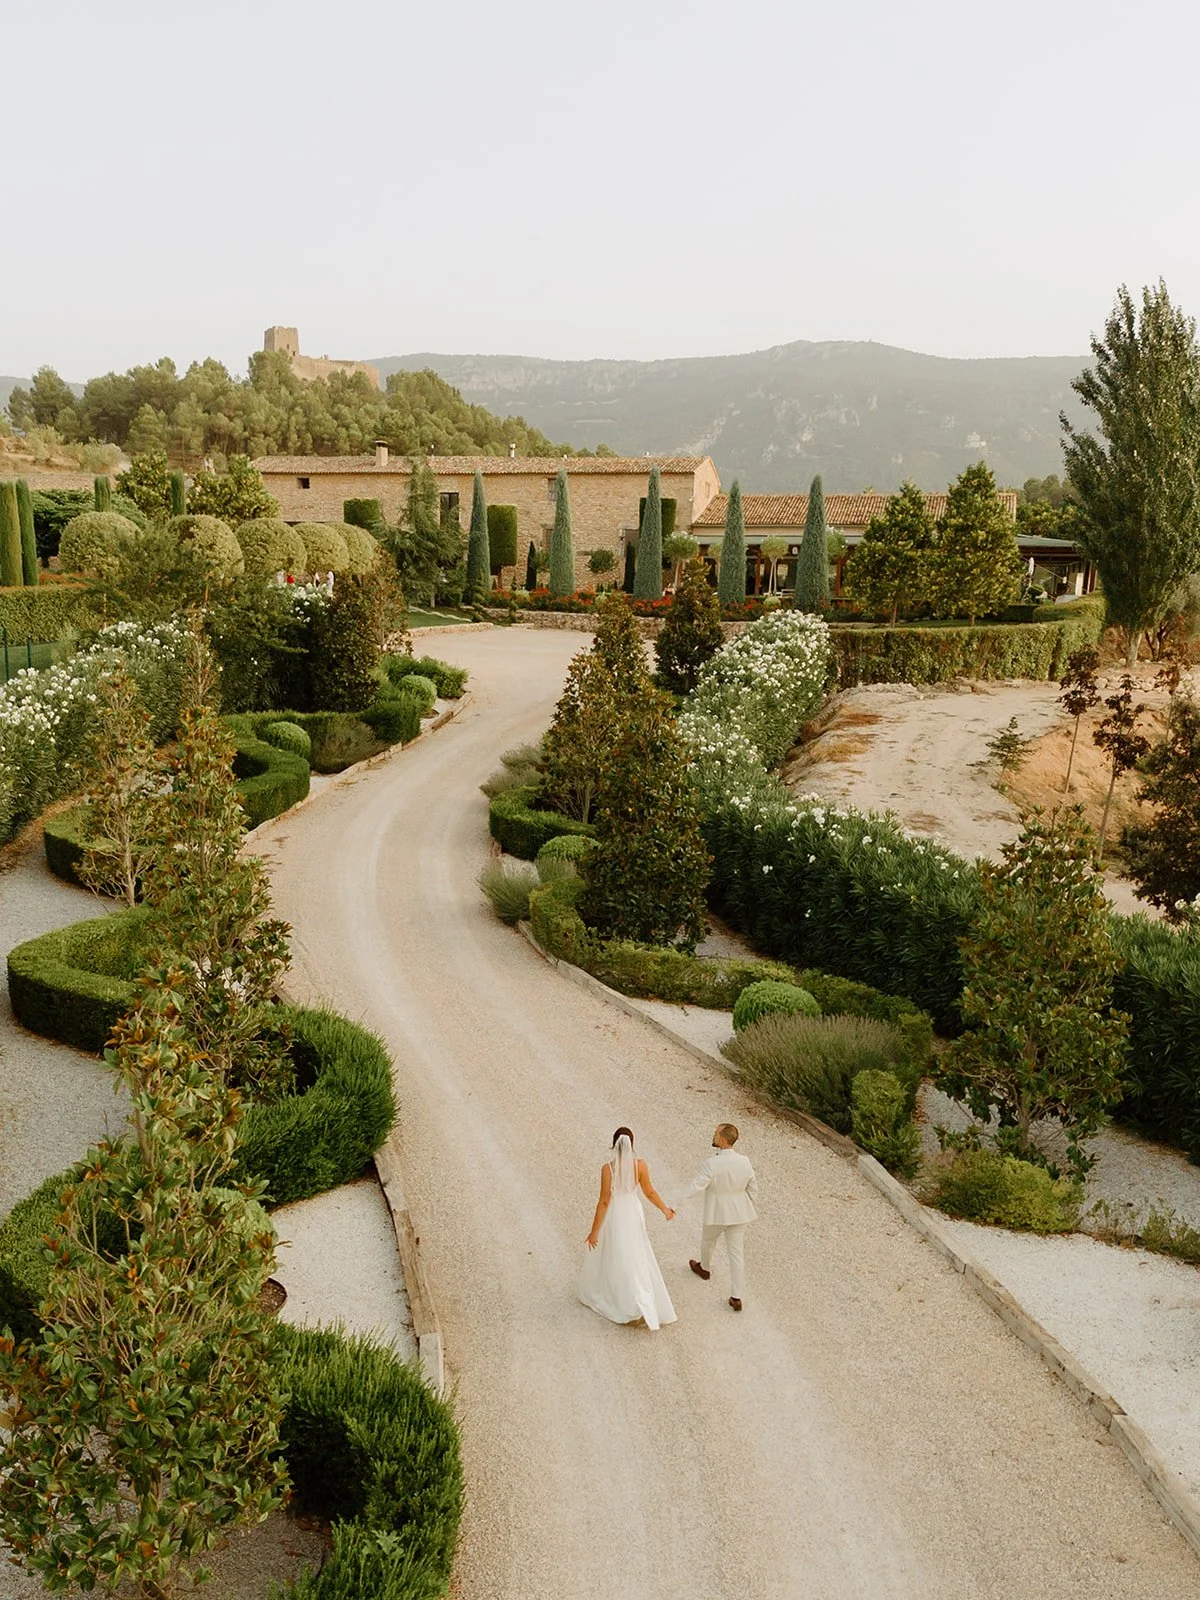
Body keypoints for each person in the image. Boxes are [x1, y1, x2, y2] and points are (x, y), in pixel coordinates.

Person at [578, 1128, 677, 1330]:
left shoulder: (608, 1169)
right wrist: (665, 1209)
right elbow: (649, 1192)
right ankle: (642, 1300)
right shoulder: (640, 1166)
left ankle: (625, 1300)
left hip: (616, 1214)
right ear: (632, 1144)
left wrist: (594, 1231)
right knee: (638, 1254)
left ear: (614, 1143)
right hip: (633, 1212)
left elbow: (604, 1201)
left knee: (619, 1254)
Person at [678, 1123, 758, 1312]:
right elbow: (753, 1186)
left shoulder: (711, 1163)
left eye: (715, 1133)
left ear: (722, 1139)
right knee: (736, 1254)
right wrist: (751, 1206)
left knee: (708, 1241)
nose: (713, 1136)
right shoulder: (745, 1161)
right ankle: (736, 1297)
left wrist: (676, 1202)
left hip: (717, 1213)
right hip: (740, 1213)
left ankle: (704, 1268)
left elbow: (697, 1186)